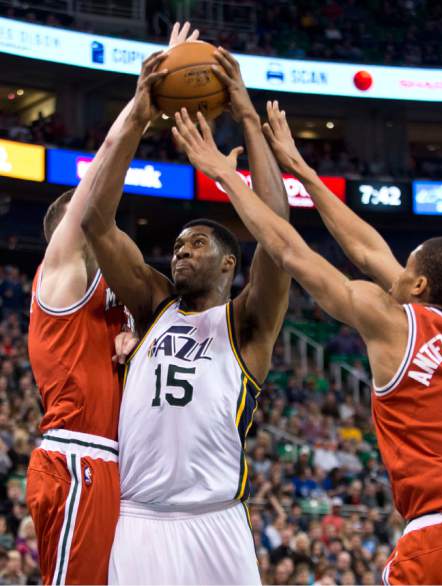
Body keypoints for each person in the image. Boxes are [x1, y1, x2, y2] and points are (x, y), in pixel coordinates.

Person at [172, 104, 442, 585]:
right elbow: (369, 250)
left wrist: (226, 175)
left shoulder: (395, 324)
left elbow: (288, 250)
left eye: (405, 267)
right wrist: (301, 169)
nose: (395, 269)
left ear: (419, 286)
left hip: (441, 533)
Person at [81, 49, 290, 584]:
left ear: (228, 262)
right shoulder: (154, 305)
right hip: (141, 518)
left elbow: (279, 232)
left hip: (216, 519)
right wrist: (136, 116)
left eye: (195, 243)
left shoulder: (247, 323)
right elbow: (96, 223)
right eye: (176, 244)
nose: (179, 251)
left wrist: (245, 112)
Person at [26, 21, 199, 586]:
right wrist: (139, 110)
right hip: (80, 457)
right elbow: (95, 189)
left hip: (122, 466)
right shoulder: (61, 277)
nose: (108, 231)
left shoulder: (120, 299)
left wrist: (137, 344)